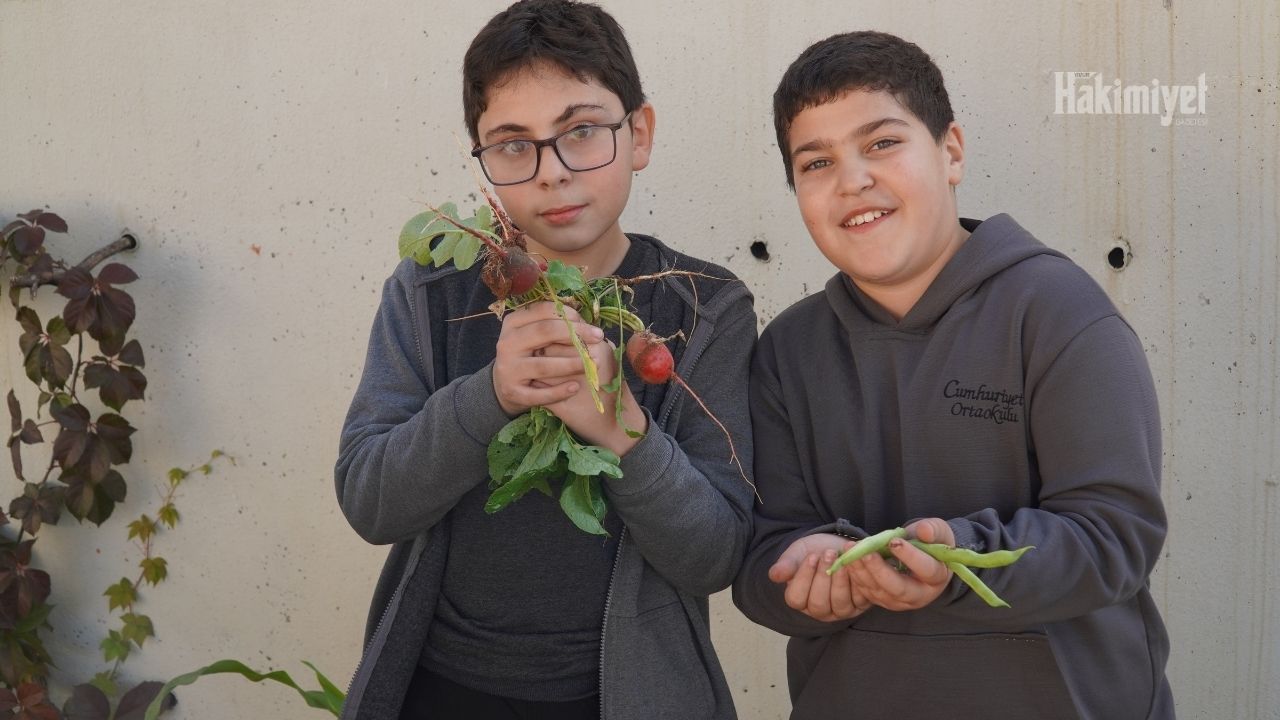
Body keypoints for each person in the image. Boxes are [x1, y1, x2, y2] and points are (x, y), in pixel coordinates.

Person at [731, 30, 1174, 720]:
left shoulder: (1058, 312)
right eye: (816, 162)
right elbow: (759, 562)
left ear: (952, 152)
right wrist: (803, 575)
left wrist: (961, 560)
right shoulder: (788, 351)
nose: (852, 180)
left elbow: (1116, 536)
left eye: (882, 143)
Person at [335, 2, 755, 719]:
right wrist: (490, 396)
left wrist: (622, 428)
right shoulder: (432, 290)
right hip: (440, 686)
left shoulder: (705, 308)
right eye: (513, 145)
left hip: (624, 697)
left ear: (640, 134)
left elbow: (714, 556)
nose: (552, 173)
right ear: (481, 158)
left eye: (581, 131)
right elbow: (370, 502)